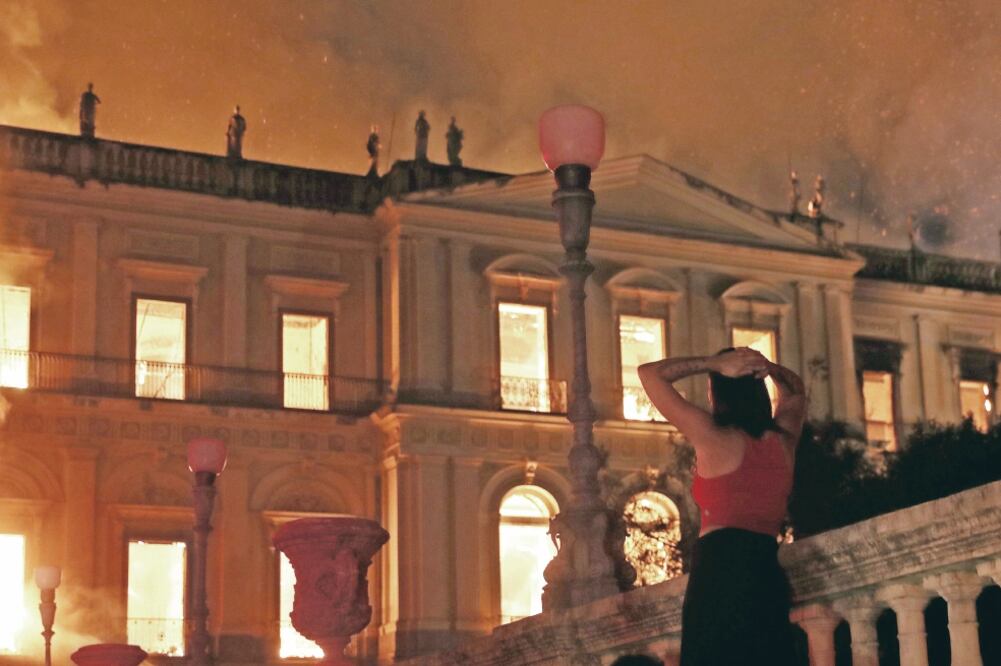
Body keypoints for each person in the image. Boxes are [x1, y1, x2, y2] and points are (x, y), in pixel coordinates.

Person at [638, 347, 806, 666]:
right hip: (765, 569)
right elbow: (795, 391)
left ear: (717, 392)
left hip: (719, 569)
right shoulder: (784, 440)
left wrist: (711, 363)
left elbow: (649, 374)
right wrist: (768, 367)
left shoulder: (712, 436)